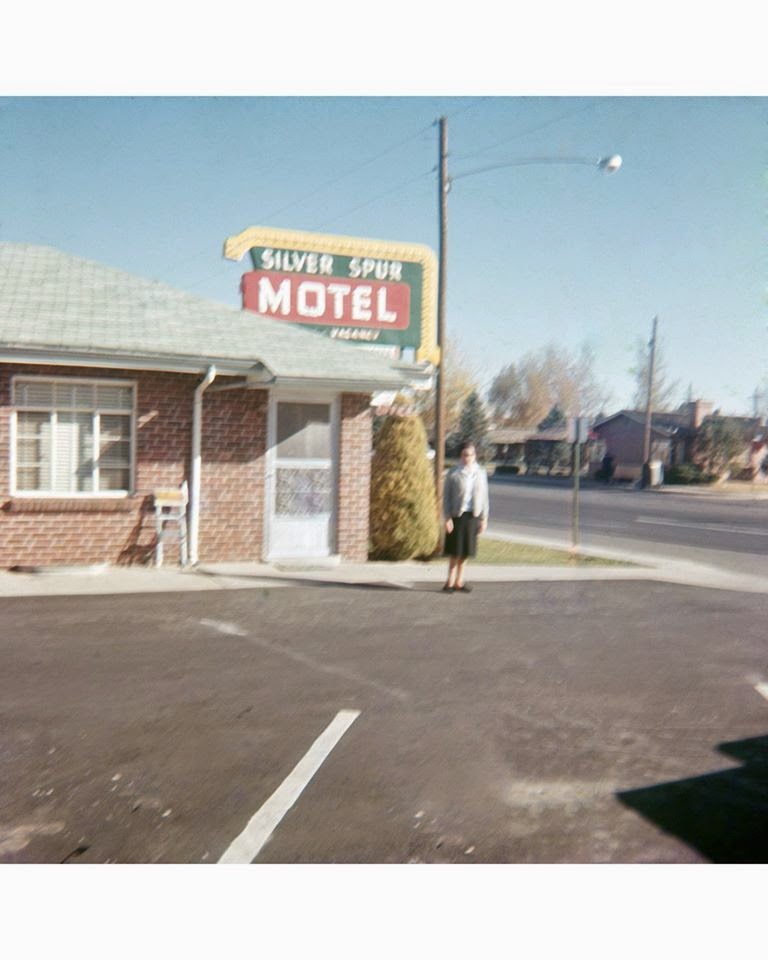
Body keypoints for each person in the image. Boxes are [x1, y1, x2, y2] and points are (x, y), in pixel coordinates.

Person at [442, 440, 489, 593]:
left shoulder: (480, 472)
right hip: (457, 516)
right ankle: (449, 582)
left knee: (466, 552)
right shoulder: (453, 473)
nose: (468, 458)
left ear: (475, 456)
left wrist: (484, 518)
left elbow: (484, 497)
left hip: (472, 516)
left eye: (470, 455)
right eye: (465, 455)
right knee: (455, 552)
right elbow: (446, 497)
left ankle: (459, 582)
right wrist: (447, 517)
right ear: (460, 456)